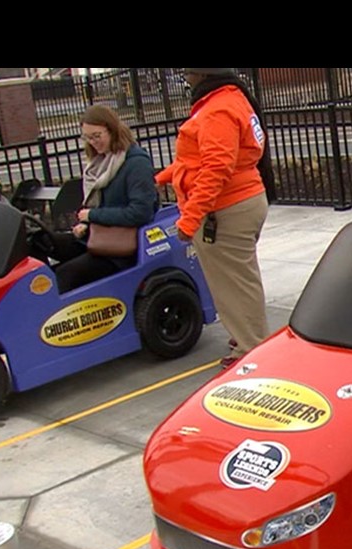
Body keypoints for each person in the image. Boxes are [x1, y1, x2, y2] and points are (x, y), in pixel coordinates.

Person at [155, 68, 275, 369]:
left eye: (187, 73)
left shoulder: (217, 109)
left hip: (225, 211)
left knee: (234, 284)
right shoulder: (230, 99)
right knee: (238, 281)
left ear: (201, 75)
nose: (185, 79)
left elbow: (216, 168)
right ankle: (248, 338)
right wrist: (164, 177)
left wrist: (190, 219)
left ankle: (251, 352)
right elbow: (197, 161)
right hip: (241, 202)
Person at [32, 105, 158, 293]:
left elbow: (141, 212)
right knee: (39, 241)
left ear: (112, 130)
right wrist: (87, 222)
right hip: (96, 234)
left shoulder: (136, 163)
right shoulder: (100, 161)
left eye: (97, 136)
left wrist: (93, 216)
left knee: (66, 274)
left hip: (120, 248)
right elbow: (101, 203)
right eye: (87, 138)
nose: (92, 143)